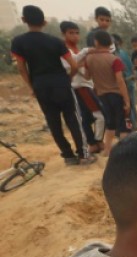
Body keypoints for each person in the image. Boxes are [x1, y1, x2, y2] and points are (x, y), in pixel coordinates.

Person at [11, 5, 93, 166]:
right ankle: (83, 155)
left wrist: (31, 86)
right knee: (73, 119)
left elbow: (21, 68)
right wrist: (67, 79)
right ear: (44, 22)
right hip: (61, 83)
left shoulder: (18, 42)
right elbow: (74, 66)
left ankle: (68, 156)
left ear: (23, 20)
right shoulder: (55, 42)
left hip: (40, 86)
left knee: (53, 122)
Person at [61, 21, 105, 154]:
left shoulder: (76, 50)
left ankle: (93, 143)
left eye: (77, 33)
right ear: (64, 34)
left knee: (86, 118)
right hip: (81, 87)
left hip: (86, 85)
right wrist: (87, 52)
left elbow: (80, 65)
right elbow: (71, 66)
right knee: (100, 115)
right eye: (71, 33)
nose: (75, 36)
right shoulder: (65, 50)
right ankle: (98, 141)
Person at [84, 31, 131, 156]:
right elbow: (120, 81)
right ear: (110, 43)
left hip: (101, 95)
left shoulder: (89, 59)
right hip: (116, 94)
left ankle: (107, 150)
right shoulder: (114, 59)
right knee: (123, 124)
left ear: (96, 42)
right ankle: (124, 152)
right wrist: (127, 100)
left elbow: (86, 76)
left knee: (110, 123)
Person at [112, 35, 137, 131]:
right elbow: (132, 67)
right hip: (129, 82)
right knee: (131, 103)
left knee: (126, 105)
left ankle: (131, 126)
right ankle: (135, 124)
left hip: (124, 82)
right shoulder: (124, 53)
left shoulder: (115, 56)